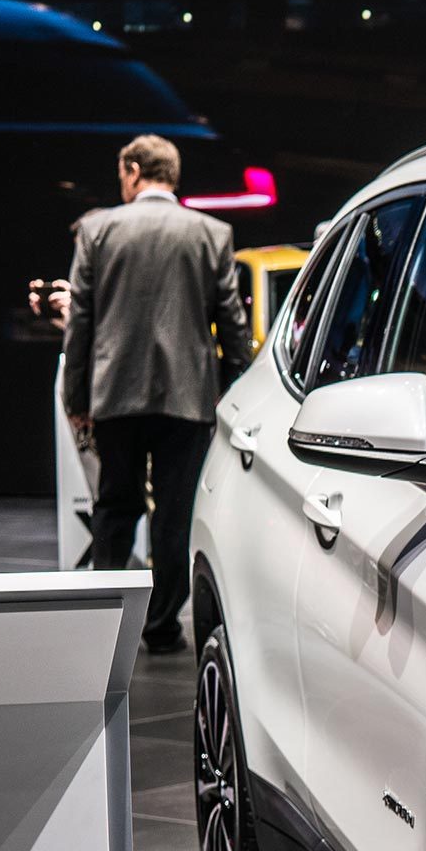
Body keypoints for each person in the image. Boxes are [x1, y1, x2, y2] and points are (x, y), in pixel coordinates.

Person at [62, 133, 251, 654]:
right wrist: (235, 394)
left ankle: (106, 624)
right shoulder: (212, 233)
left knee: (115, 507)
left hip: (116, 394)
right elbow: (232, 327)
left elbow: (79, 324)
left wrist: (76, 396)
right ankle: (163, 625)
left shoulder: (98, 230)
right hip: (189, 400)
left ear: (132, 171)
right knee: (176, 512)